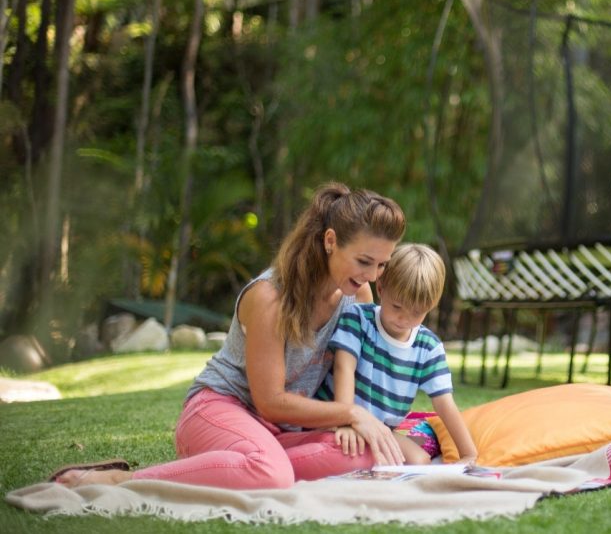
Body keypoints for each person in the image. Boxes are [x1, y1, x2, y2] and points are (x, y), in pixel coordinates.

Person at [49, 182, 409, 489]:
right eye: (364, 262)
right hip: (218, 411)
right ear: (330, 241)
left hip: (276, 433)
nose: (374, 277)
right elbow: (270, 401)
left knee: (362, 450)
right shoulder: (270, 296)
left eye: (382, 265)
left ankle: (244, 465)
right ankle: (125, 482)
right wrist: (349, 412)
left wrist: (363, 419)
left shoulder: (357, 295)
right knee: (272, 475)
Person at [318, 243, 478, 466]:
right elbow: (344, 367)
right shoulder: (358, 319)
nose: (404, 319)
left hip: (380, 430)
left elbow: (445, 404)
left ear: (430, 306)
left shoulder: (428, 347)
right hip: (337, 420)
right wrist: (346, 421)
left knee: (420, 460)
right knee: (353, 457)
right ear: (381, 288)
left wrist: (468, 454)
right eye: (396, 306)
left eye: (416, 312)